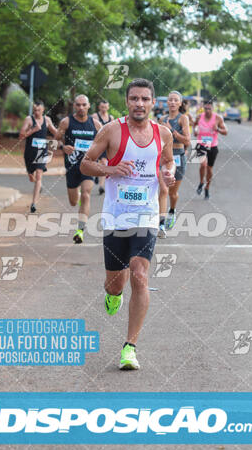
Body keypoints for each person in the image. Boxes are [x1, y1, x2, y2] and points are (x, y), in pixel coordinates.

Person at [80, 78, 175, 370]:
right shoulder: (111, 131)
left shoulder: (163, 133)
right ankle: (114, 295)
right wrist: (110, 169)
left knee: (140, 274)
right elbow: (85, 163)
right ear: (127, 101)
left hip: (146, 215)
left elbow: (168, 162)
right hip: (115, 215)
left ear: (152, 102)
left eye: (145, 99)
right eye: (134, 98)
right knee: (115, 283)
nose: (139, 104)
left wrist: (168, 175)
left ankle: (129, 347)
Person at [56, 95, 102, 243]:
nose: (81, 107)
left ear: (89, 106)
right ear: (74, 106)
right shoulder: (66, 122)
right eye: (78, 105)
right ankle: (79, 195)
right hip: (72, 167)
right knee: (73, 202)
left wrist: (102, 158)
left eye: (84, 105)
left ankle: (80, 231)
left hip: (88, 166)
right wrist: (63, 147)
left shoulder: (96, 125)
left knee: (86, 194)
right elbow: (54, 141)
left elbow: (103, 144)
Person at [157, 91, 191, 235]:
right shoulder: (161, 119)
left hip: (178, 156)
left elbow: (187, 140)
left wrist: (172, 131)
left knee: (173, 193)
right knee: (163, 190)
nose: (172, 102)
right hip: (165, 157)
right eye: (170, 100)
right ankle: (161, 224)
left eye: (175, 100)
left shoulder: (183, 118)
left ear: (180, 103)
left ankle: (172, 210)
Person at [19, 101, 57, 213]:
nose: (36, 112)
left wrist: (61, 138)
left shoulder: (47, 120)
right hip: (30, 152)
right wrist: (33, 130)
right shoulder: (29, 119)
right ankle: (33, 178)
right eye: (35, 110)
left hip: (42, 151)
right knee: (32, 176)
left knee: (39, 175)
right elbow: (21, 136)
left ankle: (33, 203)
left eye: (39, 110)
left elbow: (56, 132)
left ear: (43, 110)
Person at [194, 100, 227, 200]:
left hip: (213, 146)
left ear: (213, 108)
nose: (207, 110)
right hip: (201, 144)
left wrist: (217, 129)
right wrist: (195, 131)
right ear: (203, 108)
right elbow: (195, 125)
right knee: (203, 165)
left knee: (209, 169)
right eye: (206, 108)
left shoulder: (218, 118)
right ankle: (201, 182)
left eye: (209, 108)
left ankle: (207, 188)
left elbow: (225, 132)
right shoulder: (199, 117)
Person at [92, 100, 114, 195]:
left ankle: (101, 186)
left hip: (106, 144)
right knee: (94, 163)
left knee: (105, 163)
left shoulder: (111, 118)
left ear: (108, 107)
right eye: (102, 107)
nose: (104, 109)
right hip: (96, 144)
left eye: (105, 107)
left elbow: (113, 131)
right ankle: (96, 175)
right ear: (99, 107)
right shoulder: (95, 116)